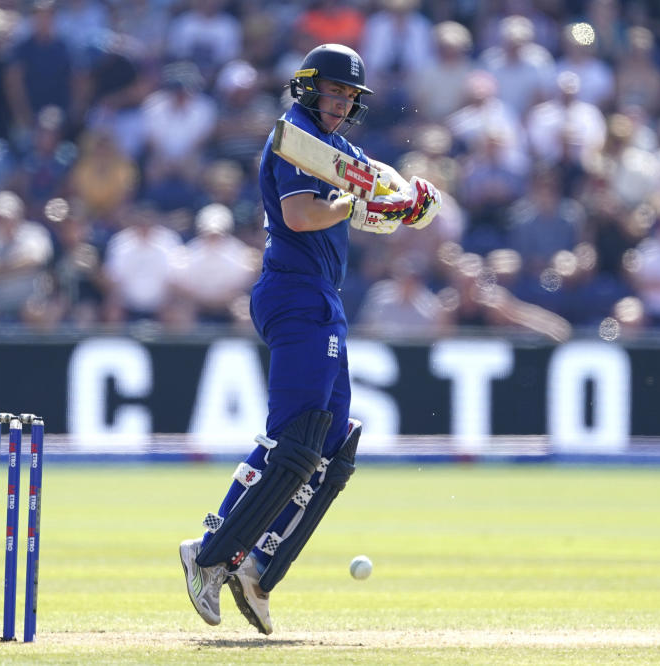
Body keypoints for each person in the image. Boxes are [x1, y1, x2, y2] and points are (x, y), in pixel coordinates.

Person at [178, 43, 441, 635]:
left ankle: (260, 570)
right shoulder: (295, 136)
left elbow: (372, 201)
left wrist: (410, 203)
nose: (341, 103)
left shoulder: (337, 150)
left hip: (321, 297)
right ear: (307, 87)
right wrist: (360, 203)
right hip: (294, 292)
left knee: (333, 446)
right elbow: (302, 215)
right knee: (295, 437)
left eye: (350, 96)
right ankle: (211, 552)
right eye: (333, 91)